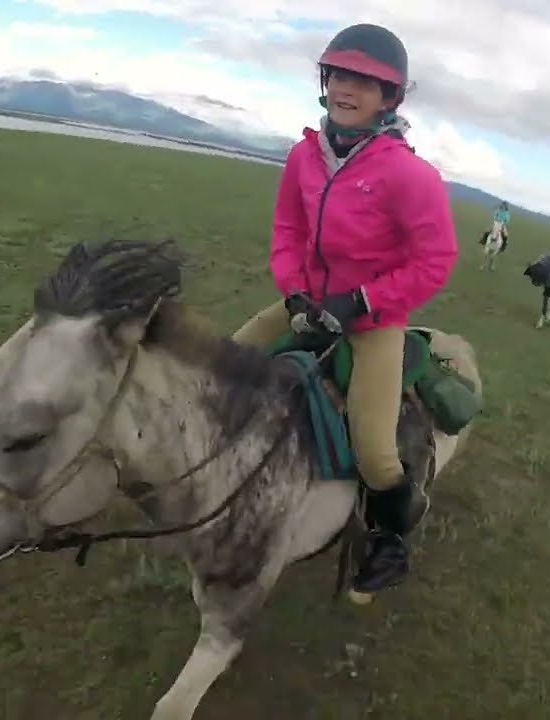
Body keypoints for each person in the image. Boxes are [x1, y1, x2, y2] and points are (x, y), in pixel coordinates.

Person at [229, 22, 459, 595]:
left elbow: (435, 260)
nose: (345, 89)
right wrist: (294, 293)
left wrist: (360, 301)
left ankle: (390, 540)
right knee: (222, 368)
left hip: (373, 321)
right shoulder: (303, 156)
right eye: (337, 75)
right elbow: (288, 230)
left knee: (375, 451)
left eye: (364, 81)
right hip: (308, 303)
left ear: (389, 97)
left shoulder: (411, 176)